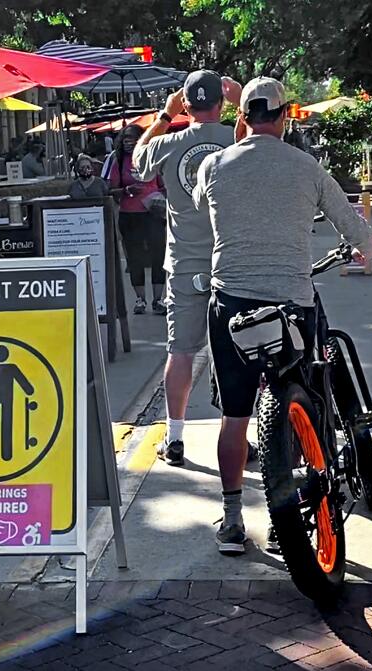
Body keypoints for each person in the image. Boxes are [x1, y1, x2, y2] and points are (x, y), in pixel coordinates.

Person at [193, 77, 372, 555]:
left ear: (243, 118)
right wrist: (367, 248)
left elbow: (199, 204)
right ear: (284, 116)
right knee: (304, 403)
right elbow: (355, 228)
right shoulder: (307, 167)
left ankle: (232, 521)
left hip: (230, 304)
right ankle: (290, 515)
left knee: (235, 417)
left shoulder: (215, 165)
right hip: (291, 303)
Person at [132, 70, 238, 467]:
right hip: (231, 261)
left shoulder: (171, 141)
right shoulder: (235, 139)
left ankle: (175, 438)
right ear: (221, 104)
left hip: (184, 264)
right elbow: (269, 143)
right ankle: (244, 436)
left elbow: (139, 163)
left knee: (180, 352)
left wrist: (164, 113)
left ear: (186, 105)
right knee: (239, 354)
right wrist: (243, 103)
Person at [107, 125, 167, 315]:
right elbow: (111, 189)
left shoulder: (152, 159)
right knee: (135, 259)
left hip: (153, 214)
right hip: (130, 215)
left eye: (132, 138)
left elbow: (163, 185)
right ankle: (140, 299)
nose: (127, 142)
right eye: (124, 139)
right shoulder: (118, 162)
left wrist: (159, 197)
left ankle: (158, 300)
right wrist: (125, 191)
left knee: (158, 256)